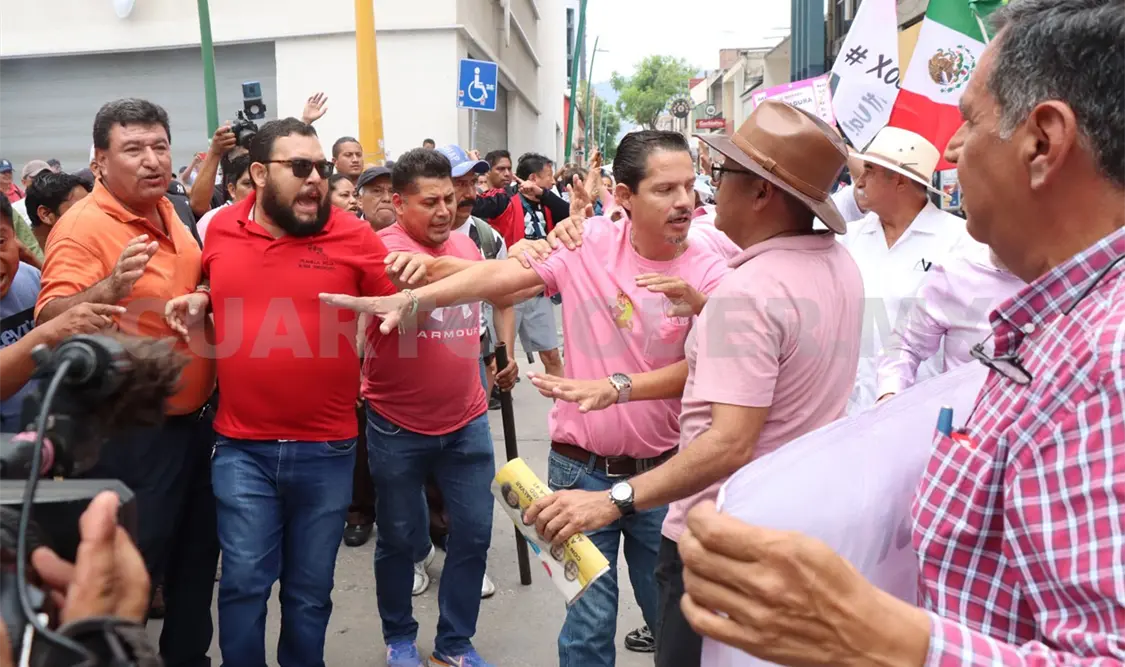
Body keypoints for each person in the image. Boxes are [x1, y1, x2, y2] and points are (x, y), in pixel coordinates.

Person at [675, 2, 1125, 664]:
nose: (953, 150)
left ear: (1042, 142)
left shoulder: (1106, 358)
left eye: (969, 121)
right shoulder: (1054, 320)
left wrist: (879, 635)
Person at [326, 130, 732, 667]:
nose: (684, 201)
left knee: (672, 623)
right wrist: (412, 296)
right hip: (574, 471)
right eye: (665, 189)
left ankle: (454, 643)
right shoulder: (584, 244)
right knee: (586, 625)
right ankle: (405, 635)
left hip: (664, 476)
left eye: (688, 187)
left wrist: (694, 313)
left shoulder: (711, 260)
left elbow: (724, 366)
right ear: (626, 197)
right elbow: (499, 278)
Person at [523, 101, 863, 667]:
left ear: (761, 194)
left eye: (718, 176)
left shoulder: (748, 291)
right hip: (792, 517)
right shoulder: (838, 266)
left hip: (722, 529)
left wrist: (614, 500)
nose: (700, 195)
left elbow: (730, 441)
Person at [164, 117, 402, 667]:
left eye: (320, 167)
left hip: (328, 450)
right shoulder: (220, 229)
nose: (315, 178)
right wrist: (201, 294)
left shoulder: (353, 235)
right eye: (299, 167)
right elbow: (211, 278)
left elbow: (398, 303)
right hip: (241, 448)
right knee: (244, 583)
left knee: (309, 592)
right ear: (258, 173)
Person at [35, 98, 219, 667]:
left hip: (194, 427)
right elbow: (48, 320)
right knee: (130, 574)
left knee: (194, 572)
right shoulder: (82, 227)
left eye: (159, 146)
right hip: (131, 436)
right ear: (99, 162)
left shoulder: (174, 210)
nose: (150, 160)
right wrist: (108, 289)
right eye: (132, 149)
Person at [322, 148, 500, 667]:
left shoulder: (468, 247)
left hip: (467, 423)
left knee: (473, 536)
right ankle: (399, 636)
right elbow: (353, 323)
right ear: (398, 204)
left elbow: (493, 304)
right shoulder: (380, 254)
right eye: (430, 202)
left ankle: (454, 644)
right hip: (397, 426)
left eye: (450, 198)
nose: (444, 210)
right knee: (400, 539)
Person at [839, 126, 974, 413]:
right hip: (850, 413)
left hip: (921, 413)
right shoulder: (848, 237)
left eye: (870, 171)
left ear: (899, 181)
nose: (859, 181)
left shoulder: (958, 240)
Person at [0, 194, 122, 427]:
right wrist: (49, 333)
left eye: (0, 242)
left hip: (53, 437)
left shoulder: (28, 277)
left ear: (16, 238)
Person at [875, 242, 1024, 400]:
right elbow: (904, 344)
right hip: (961, 420)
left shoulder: (1052, 282)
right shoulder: (956, 272)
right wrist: (890, 394)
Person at [509, 152, 564, 378]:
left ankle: (565, 410)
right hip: (508, 293)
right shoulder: (507, 201)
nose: (552, 181)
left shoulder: (549, 204)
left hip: (538, 291)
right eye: (548, 176)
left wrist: (544, 194)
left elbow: (570, 213)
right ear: (533, 177)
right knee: (499, 360)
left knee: (551, 355)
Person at [24, 171, 91, 252]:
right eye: (81, 209)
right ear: (46, 214)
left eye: (91, 207)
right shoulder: (20, 260)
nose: (91, 215)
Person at [196, 153, 253, 245]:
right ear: (232, 189)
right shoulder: (211, 219)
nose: (255, 189)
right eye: (248, 183)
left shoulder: (271, 220)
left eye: (259, 183)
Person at [356, 166, 397, 230]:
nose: (387, 198)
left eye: (392, 191)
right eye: (377, 191)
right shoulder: (347, 235)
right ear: (360, 200)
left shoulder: (413, 234)